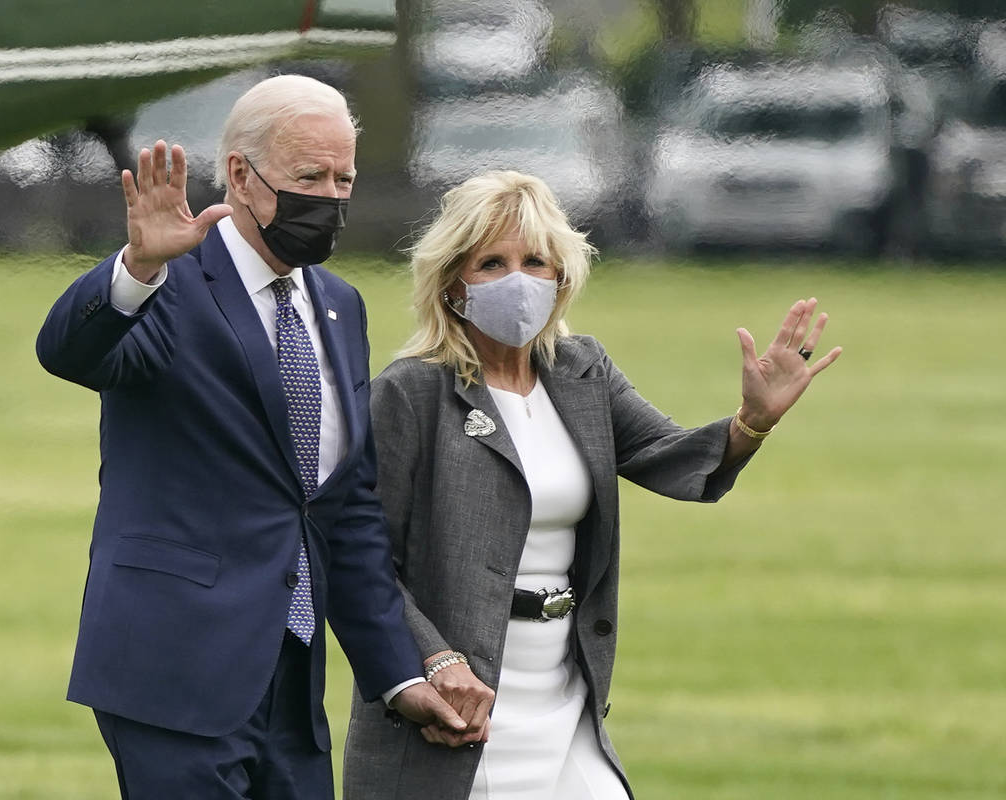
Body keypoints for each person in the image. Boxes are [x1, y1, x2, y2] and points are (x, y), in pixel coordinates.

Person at [343, 171, 842, 799]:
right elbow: (362, 558)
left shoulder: (582, 371)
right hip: (461, 704)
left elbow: (670, 456)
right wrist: (434, 662)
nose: (518, 280)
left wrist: (752, 422)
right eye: (491, 263)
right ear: (452, 286)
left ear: (562, 276)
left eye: (535, 262)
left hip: (564, 691)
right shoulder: (411, 392)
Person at [36, 74, 467, 800]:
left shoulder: (339, 306)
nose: (329, 197)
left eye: (343, 178)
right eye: (309, 177)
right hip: (175, 672)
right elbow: (70, 352)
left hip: (292, 685)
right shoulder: (168, 279)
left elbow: (342, 511)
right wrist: (139, 267)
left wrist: (397, 672)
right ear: (240, 175)